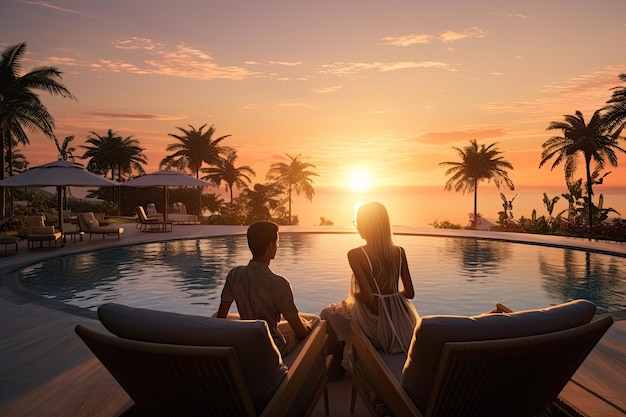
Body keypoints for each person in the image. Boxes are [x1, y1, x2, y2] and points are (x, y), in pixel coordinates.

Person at [320, 202, 419, 373]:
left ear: (365, 225)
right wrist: (392, 298)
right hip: (401, 325)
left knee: (327, 313)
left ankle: (332, 370)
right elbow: (409, 293)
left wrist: (354, 296)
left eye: (358, 222)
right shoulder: (400, 252)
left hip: (373, 325)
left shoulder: (356, 254)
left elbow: (369, 297)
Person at [217, 221, 318, 356]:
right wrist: (307, 328)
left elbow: (221, 319)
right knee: (315, 323)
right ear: (271, 246)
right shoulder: (279, 284)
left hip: (247, 341)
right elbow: (300, 332)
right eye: (276, 243)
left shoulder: (234, 275)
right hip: (272, 350)